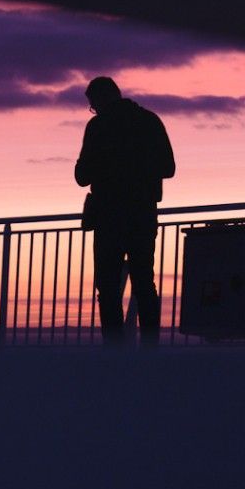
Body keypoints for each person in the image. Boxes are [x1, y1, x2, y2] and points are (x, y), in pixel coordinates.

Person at [73, 76, 175, 346]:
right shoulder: (150, 121)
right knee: (144, 283)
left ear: (101, 99)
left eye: (93, 104)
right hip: (143, 214)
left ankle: (114, 351)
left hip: (108, 217)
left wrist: (107, 169)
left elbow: (82, 176)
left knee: (108, 287)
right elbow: (168, 168)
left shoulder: (98, 127)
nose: (93, 110)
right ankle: (150, 348)